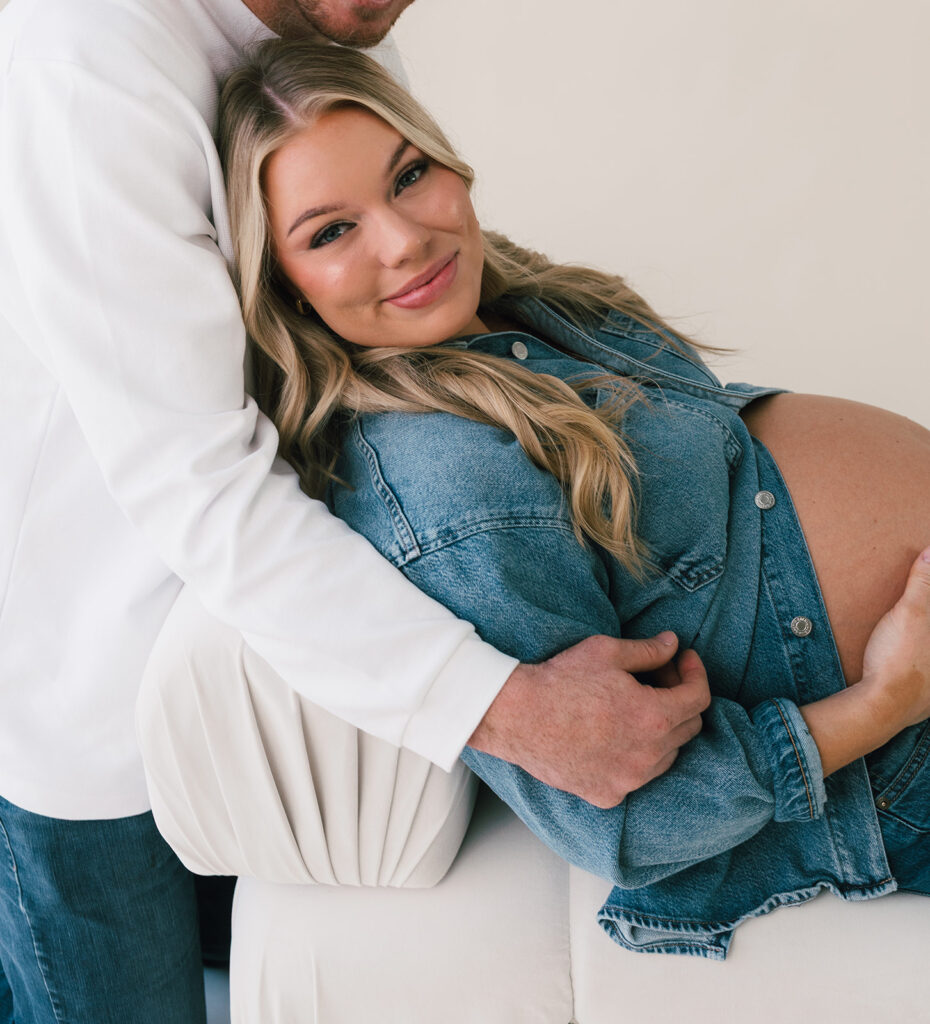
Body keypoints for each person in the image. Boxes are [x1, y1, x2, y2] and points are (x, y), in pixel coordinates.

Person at [139, 35, 930, 973]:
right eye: (330, 231)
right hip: (898, 761)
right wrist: (886, 702)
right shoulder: (441, 484)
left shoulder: (513, 306)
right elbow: (624, 820)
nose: (405, 240)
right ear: (281, 283)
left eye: (409, 176)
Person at [0, 1, 710, 1021]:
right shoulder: (86, 63)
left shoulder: (330, 28)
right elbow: (202, 485)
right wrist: (512, 710)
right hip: (87, 693)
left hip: (274, 668)